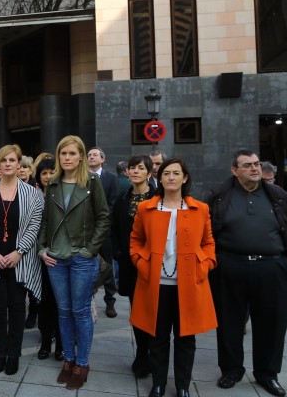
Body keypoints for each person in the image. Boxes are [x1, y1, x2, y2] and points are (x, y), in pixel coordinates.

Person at [207, 150, 287, 397]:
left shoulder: (278, 196)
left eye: (256, 164)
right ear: (234, 170)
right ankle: (231, 370)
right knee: (229, 323)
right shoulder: (219, 196)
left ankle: (267, 374)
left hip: (273, 269)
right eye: (247, 165)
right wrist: (214, 265)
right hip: (230, 267)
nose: (254, 168)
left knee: (272, 325)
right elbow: (206, 234)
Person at [130, 158, 217, 397]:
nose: (170, 177)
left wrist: (206, 264)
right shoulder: (145, 208)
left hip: (189, 284)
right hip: (156, 283)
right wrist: (140, 261)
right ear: (159, 178)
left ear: (185, 178)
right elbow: (135, 240)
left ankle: (182, 387)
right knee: (157, 338)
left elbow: (208, 243)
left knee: (186, 339)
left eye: (176, 173)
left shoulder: (200, 209)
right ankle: (158, 384)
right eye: (166, 173)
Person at [38, 135, 110, 390]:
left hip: (81, 258)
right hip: (56, 258)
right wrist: (42, 249)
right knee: (64, 311)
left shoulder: (92, 182)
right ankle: (68, 360)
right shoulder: (53, 184)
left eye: (71, 153)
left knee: (80, 312)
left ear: (80, 156)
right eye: (62, 154)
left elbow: (103, 217)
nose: (66, 158)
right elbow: (46, 220)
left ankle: (82, 362)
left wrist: (90, 250)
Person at [0, 145, 43, 374]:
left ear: (19, 164)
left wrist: (19, 251)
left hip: (19, 260)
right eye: (3, 160)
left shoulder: (32, 193)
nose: (8, 164)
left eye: (12, 160)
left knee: (16, 308)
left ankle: (14, 353)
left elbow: (35, 224)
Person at [112, 155, 156, 378]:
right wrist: (119, 253)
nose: (136, 171)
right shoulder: (122, 199)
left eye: (141, 168)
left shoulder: (159, 198)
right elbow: (114, 229)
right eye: (132, 168)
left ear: (149, 173)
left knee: (155, 311)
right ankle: (142, 352)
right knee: (137, 309)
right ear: (127, 172)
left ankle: (154, 353)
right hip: (130, 264)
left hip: (155, 264)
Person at [33, 157, 63, 361]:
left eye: (51, 171)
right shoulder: (35, 196)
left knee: (61, 303)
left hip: (61, 256)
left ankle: (61, 344)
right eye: (43, 173)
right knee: (44, 302)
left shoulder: (64, 194)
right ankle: (45, 342)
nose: (47, 176)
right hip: (39, 257)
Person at [87, 146, 119, 318]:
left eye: (95, 155)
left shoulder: (111, 179)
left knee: (107, 266)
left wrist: (103, 225)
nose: (91, 157)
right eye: (89, 155)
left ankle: (110, 301)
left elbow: (112, 204)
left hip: (104, 231)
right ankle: (88, 299)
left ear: (102, 159)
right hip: (85, 231)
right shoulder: (82, 178)